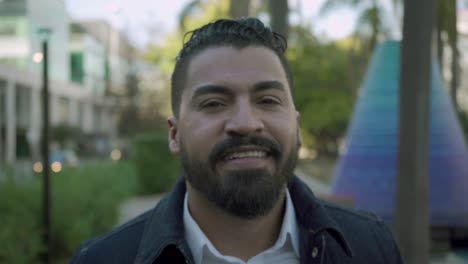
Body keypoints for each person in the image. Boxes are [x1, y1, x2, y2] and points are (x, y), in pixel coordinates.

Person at [71, 17, 402, 264]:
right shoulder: (103, 259)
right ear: (175, 134)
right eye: (214, 103)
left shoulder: (371, 247)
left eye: (268, 100)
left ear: (297, 127)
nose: (245, 124)